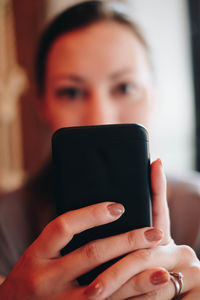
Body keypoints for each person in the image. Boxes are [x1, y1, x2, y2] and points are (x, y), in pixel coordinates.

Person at [0, 1, 200, 298]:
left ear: (154, 97)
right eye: (71, 91)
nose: (100, 118)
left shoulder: (197, 205)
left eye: (124, 88)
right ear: (41, 105)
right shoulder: (5, 222)